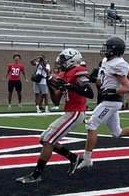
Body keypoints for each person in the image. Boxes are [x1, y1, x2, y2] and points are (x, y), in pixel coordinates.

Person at [75, 36, 129, 171]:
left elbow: (127, 87)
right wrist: (88, 79)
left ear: (115, 50)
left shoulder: (119, 64)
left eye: (108, 48)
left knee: (91, 124)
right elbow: (102, 82)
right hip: (107, 99)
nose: (105, 50)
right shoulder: (107, 61)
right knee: (116, 132)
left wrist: (112, 90)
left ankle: (87, 158)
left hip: (112, 101)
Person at [15, 48, 92, 184]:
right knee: (43, 139)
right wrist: (52, 85)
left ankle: (36, 175)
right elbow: (56, 101)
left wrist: (69, 86)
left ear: (72, 60)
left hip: (76, 112)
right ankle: (73, 158)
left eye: (63, 59)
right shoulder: (63, 74)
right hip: (69, 112)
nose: (60, 62)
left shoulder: (78, 70)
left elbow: (89, 92)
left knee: (49, 141)